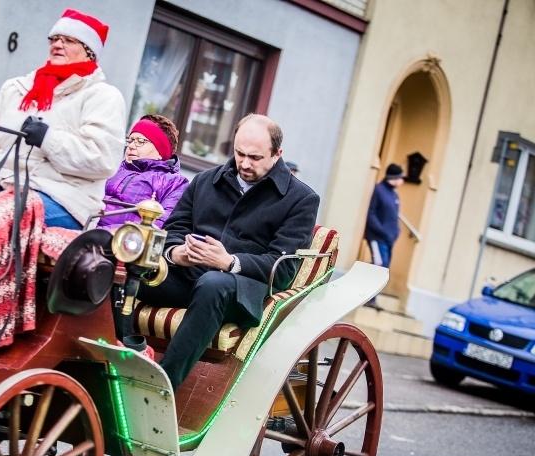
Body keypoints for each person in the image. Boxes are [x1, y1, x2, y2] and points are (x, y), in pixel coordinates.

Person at [136, 114, 320, 390]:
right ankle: (121, 358)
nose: (244, 163)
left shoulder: (301, 199)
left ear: (277, 154)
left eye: (255, 158)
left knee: (213, 283)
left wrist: (230, 262)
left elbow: (282, 271)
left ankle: (160, 386)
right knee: (129, 269)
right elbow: (174, 230)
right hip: (188, 276)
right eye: (239, 153)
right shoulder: (204, 181)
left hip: (242, 291)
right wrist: (176, 253)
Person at [0, 8, 126, 229]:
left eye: (69, 40)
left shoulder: (102, 96)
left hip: (63, 198)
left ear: (89, 51)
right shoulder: (17, 88)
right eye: (54, 39)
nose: (57, 45)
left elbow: (103, 160)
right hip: (1, 183)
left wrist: (48, 139)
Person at [97, 114, 187, 230]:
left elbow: (161, 224)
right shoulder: (113, 167)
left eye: (140, 141)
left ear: (160, 151)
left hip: (122, 239)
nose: (131, 146)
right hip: (85, 222)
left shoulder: (174, 182)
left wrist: (104, 232)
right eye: (130, 140)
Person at [363, 163, 404, 308]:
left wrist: (396, 232)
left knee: (383, 267)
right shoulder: (379, 190)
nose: (402, 181)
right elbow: (372, 214)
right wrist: (382, 231)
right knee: (379, 265)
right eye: (400, 177)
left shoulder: (394, 195)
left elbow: (394, 217)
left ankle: (371, 296)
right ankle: (368, 298)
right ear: (394, 177)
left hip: (388, 239)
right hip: (377, 237)